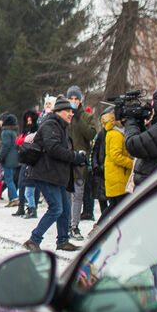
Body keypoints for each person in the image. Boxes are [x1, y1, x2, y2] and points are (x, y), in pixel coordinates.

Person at [24, 98, 85, 252]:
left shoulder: (60, 126)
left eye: (72, 111)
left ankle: (63, 241)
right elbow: (53, 148)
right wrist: (74, 156)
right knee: (56, 208)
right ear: (58, 111)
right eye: (68, 111)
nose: (71, 114)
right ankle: (33, 240)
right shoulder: (50, 124)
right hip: (45, 174)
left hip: (54, 175)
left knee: (65, 208)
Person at [64, 86, 98, 240]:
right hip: (65, 161)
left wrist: (78, 118)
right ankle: (65, 225)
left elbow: (91, 134)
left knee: (78, 195)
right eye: (71, 99)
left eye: (76, 99)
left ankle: (74, 225)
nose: (73, 102)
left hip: (80, 163)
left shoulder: (86, 116)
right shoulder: (63, 115)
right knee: (66, 195)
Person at [101, 110, 133, 217]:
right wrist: (132, 164)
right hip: (119, 178)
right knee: (119, 207)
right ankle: (98, 229)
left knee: (114, 207)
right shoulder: (116, 134)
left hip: (116, 177)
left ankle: (98, 228)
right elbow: (116, 156)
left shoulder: (113, 132)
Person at [13, 109, 40, 218]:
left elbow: (21, 141)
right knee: (21, 184)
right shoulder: (25, 131)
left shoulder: (36, 131)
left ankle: (32, 207)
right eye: (27, 121)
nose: (29, 123)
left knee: (31, 187)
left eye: (30, 121)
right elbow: (18, 141)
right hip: (24, 159)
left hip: (31, 159)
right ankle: (22, 206)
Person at [0, 113, 19, 207]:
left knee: (8, 179)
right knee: (12, 179)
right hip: (16, 158)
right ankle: (12, 198)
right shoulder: (16, 131)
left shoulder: (6, 132)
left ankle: (14, 198)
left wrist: (0, 156)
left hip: (8, 159)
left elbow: (5, 146)